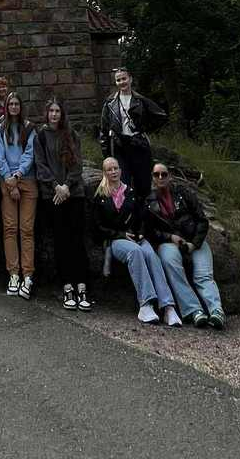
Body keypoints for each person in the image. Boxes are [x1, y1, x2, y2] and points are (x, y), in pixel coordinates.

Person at [93, 157, 181, 326]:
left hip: (136, 237)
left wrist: (140, 234)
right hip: (116, 240)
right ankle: (145, 304)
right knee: (136, 252)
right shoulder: (100, 196)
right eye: (109, 169)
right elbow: (97, 227)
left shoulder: (131, 192)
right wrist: (120, 234)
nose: (113, 172)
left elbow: (141, 218)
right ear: (104, 173)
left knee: (151, 255)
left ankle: (168, 307)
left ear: (120, 170)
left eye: (115, 168)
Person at [143, 162, 225, 329]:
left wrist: (194, 244)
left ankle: (217, 310)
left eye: (164, 174)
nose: (160, 177)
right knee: (171, 265)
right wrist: (169, 237)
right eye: (156, 174)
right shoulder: (148, 201)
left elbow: (202, 221)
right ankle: (194, 311)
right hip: (169, 243)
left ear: (170, 176)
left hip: (194, 240)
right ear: (152, 178)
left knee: (203, 276)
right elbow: (150, 231)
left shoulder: (184, 193)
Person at [34, 99, 92, 311]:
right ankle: (67, 286)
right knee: (61, 241)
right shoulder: (41, 136)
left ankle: (82, 286)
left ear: (62, 113)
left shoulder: (71, 134)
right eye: (51, 111)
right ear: (46, 113)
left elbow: (77, 165)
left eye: (57, 111)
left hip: (73, 194)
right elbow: (40, 165)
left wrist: (66, 186)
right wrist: (56, 186)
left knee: (77, 241)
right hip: (53, 196)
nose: (54, 114)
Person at [98, 66, 166, 201]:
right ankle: (128, 212)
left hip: (138, 145)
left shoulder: (141, 100)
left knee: (143, 184)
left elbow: (161, 116)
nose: (121, 82)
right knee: (123, 185)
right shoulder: (110, 103)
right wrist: (106, 155)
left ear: (130, 79)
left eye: (124, 79)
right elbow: (104, 130)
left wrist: (143, 127)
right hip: (119, 147)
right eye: (118, 80)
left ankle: (144, 210)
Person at [0, 92, 37, 299]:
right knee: (10, 228)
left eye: (16, 104)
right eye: (10, 104)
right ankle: (13, 274)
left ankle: (27, 275)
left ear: (21, 106)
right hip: (7, 180)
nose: (13, 107)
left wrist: (18, 175)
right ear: (6, 107)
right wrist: (9, 180)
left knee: (26, 229)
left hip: (26, 179)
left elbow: (29, 154)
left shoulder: (29, 128)